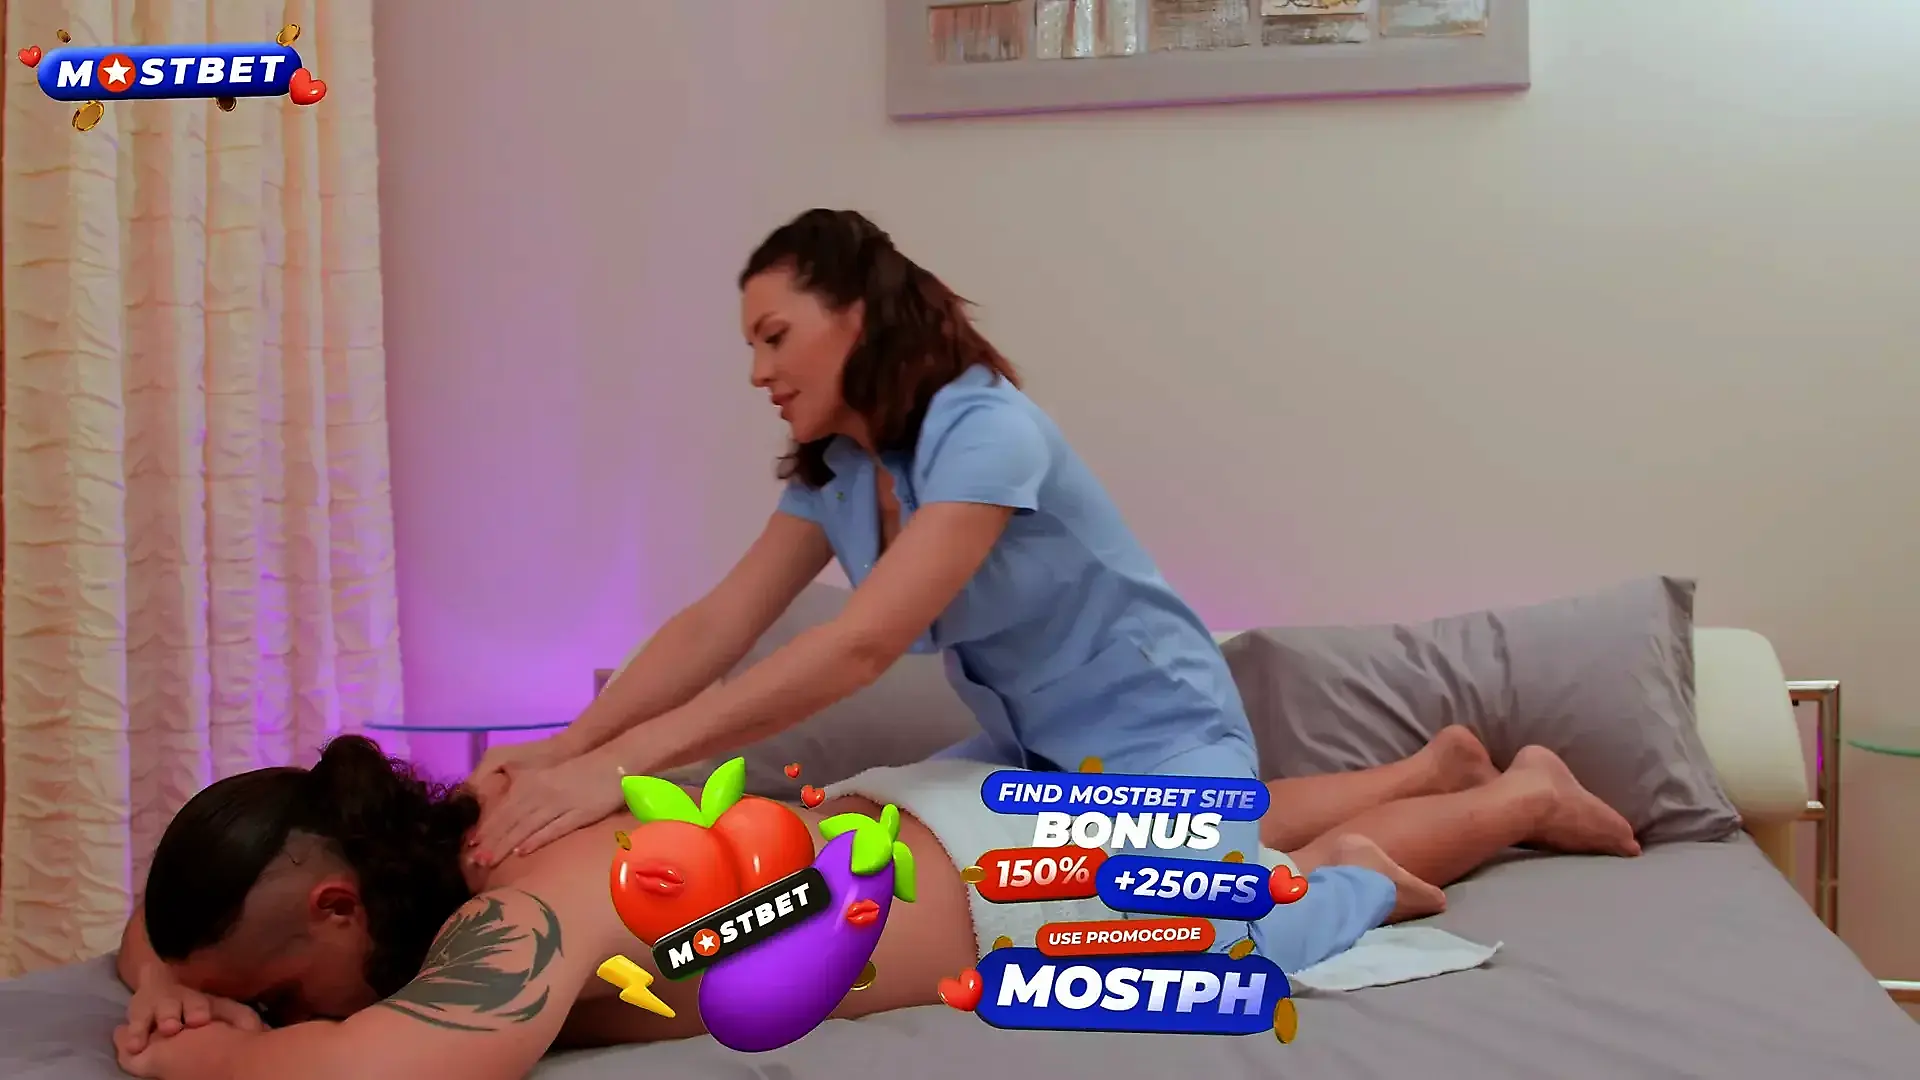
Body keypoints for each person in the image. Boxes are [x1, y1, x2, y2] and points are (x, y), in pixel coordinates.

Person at [462, 208, 1639, 974]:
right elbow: (719, 623)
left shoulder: (986, 428)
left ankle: (1467, 819)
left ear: (857, 314)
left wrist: (625, 767)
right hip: (1036, 754)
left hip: (1163, 732)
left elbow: (863, 645)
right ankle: (1426, 772)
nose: (759, 372)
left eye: (776, 337)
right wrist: (563, 750)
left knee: (1198, 950)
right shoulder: (842, 472)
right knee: (897, 852)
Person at [113, 729, 1636, 1079]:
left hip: (1002, 898)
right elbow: (167, 929)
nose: (275, 1017)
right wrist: (165, 979)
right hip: (920, 826)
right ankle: (1422, 762)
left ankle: (1509, 796)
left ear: (335, 908)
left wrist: (207, 1061)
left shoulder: (508, 919)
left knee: (1290, 882)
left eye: (277, 997)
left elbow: (392, 1072)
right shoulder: (442, 839)